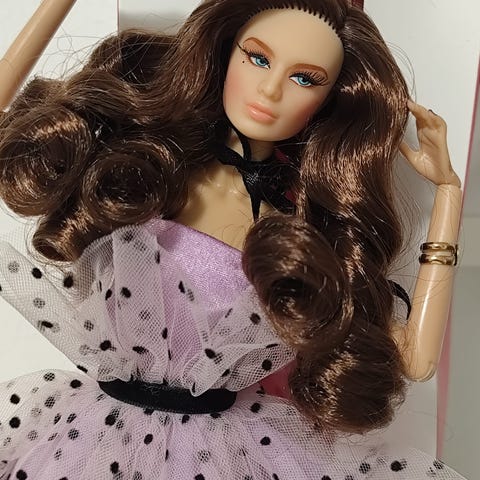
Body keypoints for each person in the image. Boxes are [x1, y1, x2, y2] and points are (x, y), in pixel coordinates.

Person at [0, 0, 465, 478]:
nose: (271, 88)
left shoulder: (303, 237)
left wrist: (449, 194)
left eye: (304, 79)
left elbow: (415, 360)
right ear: (224, 54)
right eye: (258, 58)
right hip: (93, 438)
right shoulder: (143, 173)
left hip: (226, 452)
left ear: (329, 101)